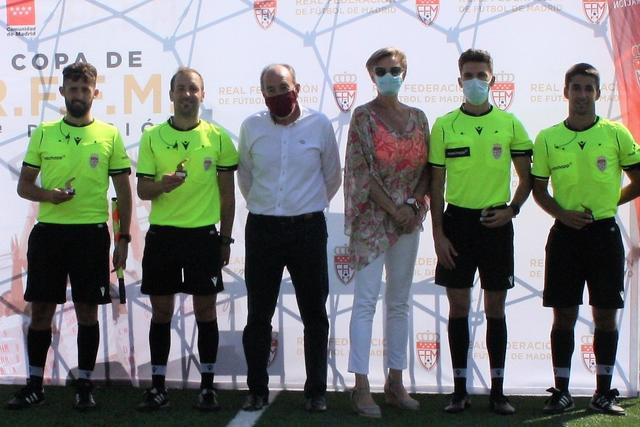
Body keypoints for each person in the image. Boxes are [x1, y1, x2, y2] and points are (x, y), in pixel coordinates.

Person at [7, 62, 132, 411]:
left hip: (91, 235)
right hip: (49, 235)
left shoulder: (109, 134)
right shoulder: (44, 133)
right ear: (62, 92)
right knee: (41, 310)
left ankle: (85, 385)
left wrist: (123, 239)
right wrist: (50, 196)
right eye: (72, 89)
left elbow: (124, 191)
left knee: (87, 312)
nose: (78, 95)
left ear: (95, 92)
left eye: (84, 89)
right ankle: (35, 385)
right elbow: (24, 186)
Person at [532, 63, 640, 416]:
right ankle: (561, 391)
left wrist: (609, 203)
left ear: (597, 93)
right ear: (566, 92)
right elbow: (538, 190)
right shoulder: (547, 137)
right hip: (565, 236)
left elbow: (638, 179)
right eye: (575, 88)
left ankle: (603, 393)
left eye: (588, 89)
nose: (581, 95)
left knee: (605, 315)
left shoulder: (615, 133)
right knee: (563, 315)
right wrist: (562, 214)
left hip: (604, 235)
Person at [429, 49, 533, 415]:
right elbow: (435, 186)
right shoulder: (444, 125)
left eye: (481, 76)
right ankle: (459, 391)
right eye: (469, 76)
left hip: (495, 224)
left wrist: (512, 210)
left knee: (495, 309)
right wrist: (438, 235)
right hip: (457, 224)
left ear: (493, 80)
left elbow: (527, 179)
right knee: (458, 307)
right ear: (459, 81)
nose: (475, 82)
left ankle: (498, 392)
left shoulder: (510, 123)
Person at [238, 63, 341, 412]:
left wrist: (303, 206)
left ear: (297, 88)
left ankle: (316, 392)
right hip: (263, 229)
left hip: (307, 229)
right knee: (258, 315)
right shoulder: (251, 126)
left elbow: (332, 177)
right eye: (270, 90)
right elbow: (246, 178)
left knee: (314, 314)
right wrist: (271, 208)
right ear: (262, 94)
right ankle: (256, 389)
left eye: (283, 87)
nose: (278, 95)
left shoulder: (320, 124)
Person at [135, 67, 237, 412]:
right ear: (171, 95)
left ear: (202, 94)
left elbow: (228, 195)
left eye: (193, 89)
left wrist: (225, 238)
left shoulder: (218, 137)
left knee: (205, 310)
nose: (187, 94)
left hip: (202, 237)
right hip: (163, 236)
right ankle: (158, 387)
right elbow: (142, 189)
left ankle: (207, 387)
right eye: (181, 89)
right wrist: (162, 185)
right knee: (161, 312)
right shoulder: (152, 137)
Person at [344, 47, 429, 418]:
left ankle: (396, 382)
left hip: (409, 219)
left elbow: (429, 168)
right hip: (372, 221)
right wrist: (395, 209)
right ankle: (361, 386)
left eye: (394, 70)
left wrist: (412, 206)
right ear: (371, 75)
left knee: (399, 301)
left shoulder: (419, 117)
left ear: (404, 72)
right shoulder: (363, 116)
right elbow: (360, 171)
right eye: (381, 70)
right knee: (365, 301)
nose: (388, 75)